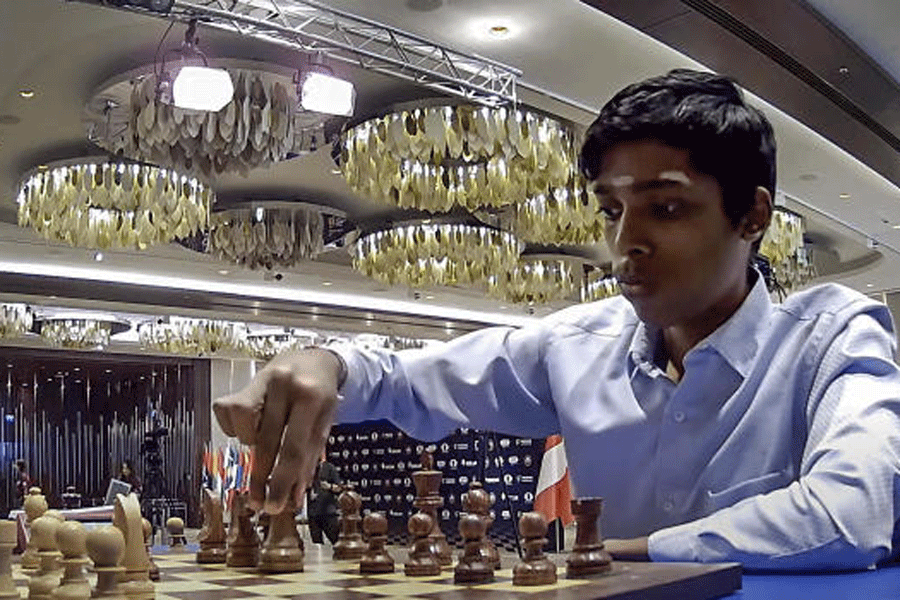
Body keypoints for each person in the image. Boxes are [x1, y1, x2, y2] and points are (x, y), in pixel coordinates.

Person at [213, 69, 900, 571]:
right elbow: (403, 381)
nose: (624, 240)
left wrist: (627, 554)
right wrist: (324, 363)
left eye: (665, 208)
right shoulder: (577, 346)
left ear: (752, 216)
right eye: (610, 209)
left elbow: (851, 512)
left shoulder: (832, 337)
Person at [306, 456, 341, 545]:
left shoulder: (329, 468)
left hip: (328, 512)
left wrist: (329, 487)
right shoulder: (306, 469)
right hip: (313, 513)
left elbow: (339, 488)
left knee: (335, 540)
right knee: (316, 542)